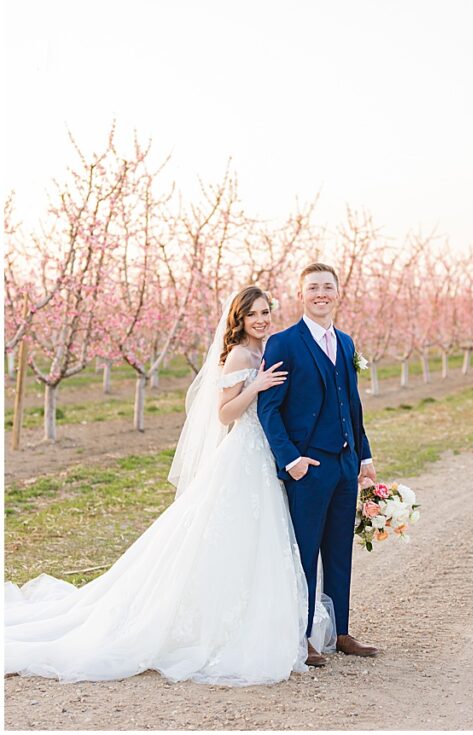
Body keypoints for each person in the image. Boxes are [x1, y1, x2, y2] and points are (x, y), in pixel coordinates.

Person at [6, 286, 334, 685]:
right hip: (243, 456)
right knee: (226, 537)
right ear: (240, 320)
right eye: (253, 315)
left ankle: (268, 618)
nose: (262, 320)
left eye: (266, 312)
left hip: (267, 456)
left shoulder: (270, 349)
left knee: (263, 540)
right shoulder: (240, 356)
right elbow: (225, 413)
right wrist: (255, 386)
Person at [258, 262, 379, 666]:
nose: (321, 293)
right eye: (313, 287)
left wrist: (364, 454)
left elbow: (352, 404)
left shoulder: (345, 342)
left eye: (327, 286)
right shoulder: (283, 343)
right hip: (307, 468)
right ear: (301, 294)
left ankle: (340, 633)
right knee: (305, 553)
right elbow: (269, 409)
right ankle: (304, 636)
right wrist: (291, 460)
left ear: (338, 292)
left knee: (339, 552)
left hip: (345, 465)